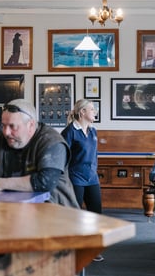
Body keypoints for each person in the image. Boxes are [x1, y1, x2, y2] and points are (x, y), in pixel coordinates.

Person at [0, 99, 78, 208]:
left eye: (13, 126)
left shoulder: (52, 142)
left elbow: (44, 182)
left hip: (56, 214)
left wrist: (1, 183)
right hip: (13, 213)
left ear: (31, 125)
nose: (6, 132)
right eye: (4, 125)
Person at [61, 99, 105, 262]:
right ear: (82, 113)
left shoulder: (93, 131)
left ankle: (93, 248)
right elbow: (63, 156)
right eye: (92, 109)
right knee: (75, 215)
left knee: (96, 213)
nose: (95, 112)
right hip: (75, 177)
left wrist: (94, 170)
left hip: (92, 178)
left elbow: (94, 155)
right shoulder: (69, 132)